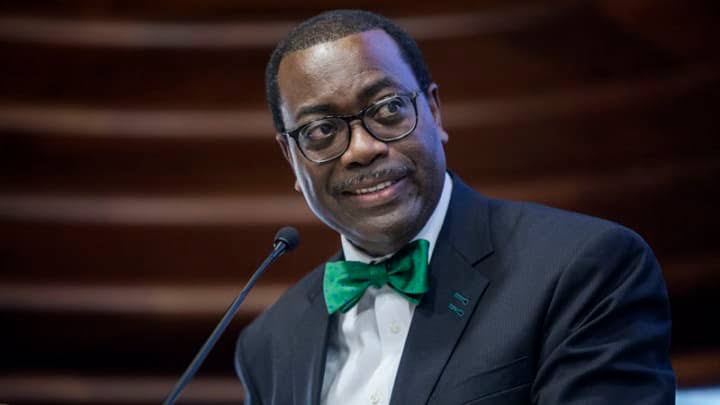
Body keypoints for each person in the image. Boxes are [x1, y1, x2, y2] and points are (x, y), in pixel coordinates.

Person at [234, 9, 675, 405]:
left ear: (435, 112)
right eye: (321, 131)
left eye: (388, 108)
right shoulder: (268, 343)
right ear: (291, 159)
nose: (362, 149)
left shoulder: (584, 269)